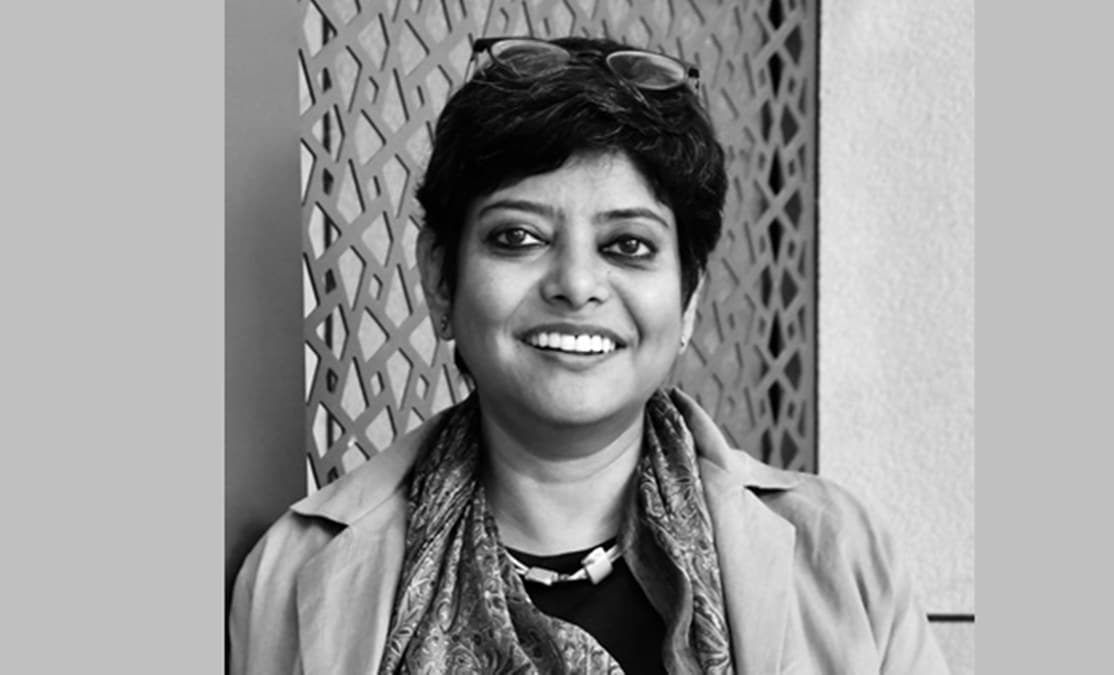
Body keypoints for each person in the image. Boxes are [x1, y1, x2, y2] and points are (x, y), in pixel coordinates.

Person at [229, 35, 950, 674]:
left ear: (688, 298)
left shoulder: (839, 556)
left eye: (627, 245)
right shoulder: (295, 575)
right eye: (518, 237)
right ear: (441, 278)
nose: (576, 284)